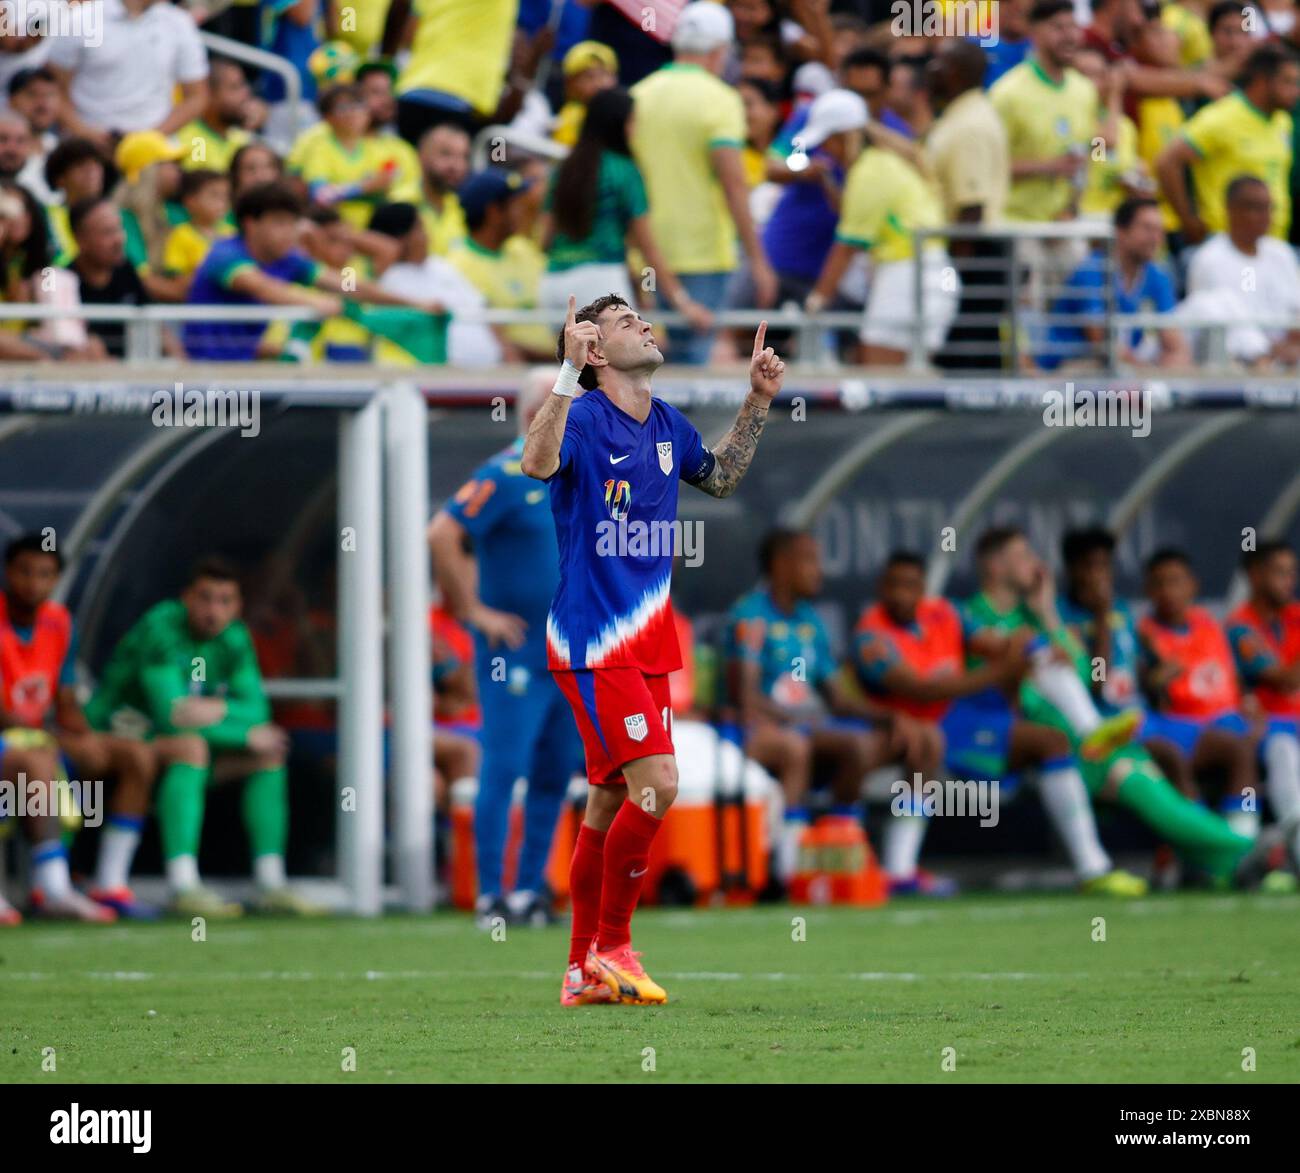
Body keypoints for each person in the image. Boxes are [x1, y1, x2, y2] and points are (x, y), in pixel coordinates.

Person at [520, 292, 784, 1006]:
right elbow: (536, 465)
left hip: (646, 645)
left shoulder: (665, 423)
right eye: (622, 319)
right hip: (592, 638)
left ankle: (580, 972)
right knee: (658, 783)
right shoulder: (581, 415)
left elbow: (722, 478)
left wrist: (757, 398)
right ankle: (614, 945)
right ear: (596, 351)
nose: (643, 321)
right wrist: (566, 379)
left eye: (641, 314)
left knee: (608, 800)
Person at [428, 368, 586, 928]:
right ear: (531, 414)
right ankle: (489, 892)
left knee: (554, 770)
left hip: (566, 651)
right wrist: (471, 611)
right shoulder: (502, 473)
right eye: (561, 402)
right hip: (513, 652)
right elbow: (442, 533)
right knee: (505, 766)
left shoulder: (577, 474)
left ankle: (527, 890)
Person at [84, 556, 317, 917]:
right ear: (186, 598)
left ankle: (270, 882)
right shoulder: (161, 627)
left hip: (174, 747)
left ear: (238, 607)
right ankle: (183, 886)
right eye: (205, 598)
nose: (213, 610)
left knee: (269, 752)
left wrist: (215, 710)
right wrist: (235, 723)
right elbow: (170, 716)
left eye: (224, 601)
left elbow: (258, 711)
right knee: (191, 747)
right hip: (112, 736)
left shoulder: (235, 638)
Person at [724, 529, 921, 888]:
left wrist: (888, 716)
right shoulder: (750, 616)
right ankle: (795, 870)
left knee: (919, 741)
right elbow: (745, 696)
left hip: (811, 728)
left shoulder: (811, 622)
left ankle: (893, 870)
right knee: (837, 747)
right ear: (782, 566)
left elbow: (839, 699)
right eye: (810, 561)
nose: (819, 571)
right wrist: (800, 719)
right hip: (758, 731)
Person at [960, 526, 1149, 895]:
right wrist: (1032, 652)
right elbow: (997, 663)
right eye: (1024, 556)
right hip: (973, 729)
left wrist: (1046, 613)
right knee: (1042, 667)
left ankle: (1094, 870)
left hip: (1016, 729)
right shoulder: (967, 615)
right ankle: (1093, 730)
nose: (1036, 564)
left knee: (1056, 738)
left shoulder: (1029, 617)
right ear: (996, 566)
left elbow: (1084, 673)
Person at [854, 551, 1039, 895]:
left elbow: (995, 646)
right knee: (923, 741)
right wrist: (1001, 671)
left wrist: (1025, 646)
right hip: (889, 730)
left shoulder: (946, 613)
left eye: (910, 586)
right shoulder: (871, 635)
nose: (901, 595)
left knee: (1048, 729)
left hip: (941, 727)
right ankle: (870, 865)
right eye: (893, 585)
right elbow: (922, 691)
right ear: (881, 587)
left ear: (923, 589)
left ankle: (899, 870)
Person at [0, 535, 161, 922]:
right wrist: (54, 736)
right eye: (25, 571)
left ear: (57, 579)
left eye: (45, 574)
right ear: (8, 573)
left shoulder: (59, 622)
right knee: (37, 763)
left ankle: (109, 882)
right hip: (16, 741)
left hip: (39, 736)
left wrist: (85, 737)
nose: (34, 583)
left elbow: (66, 700)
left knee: (135, 756)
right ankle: (52, 888)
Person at [630, 2, 777, 364]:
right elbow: (734, 185)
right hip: (702, 254)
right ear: (719, 52)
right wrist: (758, 260)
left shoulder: (638, 94)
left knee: (641, 364)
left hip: (643, 251)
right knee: (690, 367)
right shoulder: (722, 100)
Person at [183, 180, 437, 361]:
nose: (290, 232)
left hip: (248, 368)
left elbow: (347, 286)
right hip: (203, 373)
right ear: (250, 224)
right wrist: (318, 302)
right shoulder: (225, 255)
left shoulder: (288, 260)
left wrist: (413, 303)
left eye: (293, 223)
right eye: (279, 223)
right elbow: (265, 288)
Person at [540, 86, 711, 333]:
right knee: (619, 367)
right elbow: (647, 246)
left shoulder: (563, 169)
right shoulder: (625, 171)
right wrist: (683, 303)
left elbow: (544, 240)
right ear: (618, 124)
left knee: (573, 367)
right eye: (632, 122)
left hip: (553, 285)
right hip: (601, 282)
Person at [1137, 549, 1275, 836]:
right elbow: (1139, 688)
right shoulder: (1145, 634)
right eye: (1159, 584)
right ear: (1148, 590)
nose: (1167, 591)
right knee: (1237, 751)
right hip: (1180, 728)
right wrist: (1155, 679)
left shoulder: (1209, 626)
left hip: (1228, 720)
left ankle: (1255, 834)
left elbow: (1233, 680)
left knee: (1274, 746)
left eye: (1175, 581)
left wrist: (1251, 707)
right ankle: (1226, 838)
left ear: (1193, 585)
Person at [804, 110, 957, 365]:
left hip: (909, 277)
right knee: (905, 381)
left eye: (827, 142)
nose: (825, 151)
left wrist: (815, 303)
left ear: (844, 137)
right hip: (923, 275)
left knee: (883, 381)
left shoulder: (870, 170)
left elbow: (847, 246)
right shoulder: (881, 163)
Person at [1156, 43, 1300, 243]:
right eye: (1288, 82)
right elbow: (1167, 162)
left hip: (1274, 244)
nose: (1296, 91)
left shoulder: (1282, 122)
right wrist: (1188, 221)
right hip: (1225, 243)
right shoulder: (1221, 117)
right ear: (1262, 80)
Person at [926, 40, 1010, 371]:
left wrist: (953, 276)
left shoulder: (969, 125)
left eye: (939, 62)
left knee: (967, 360)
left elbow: (971, 207)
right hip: (972, 253)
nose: (930, 70)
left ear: (956, 72)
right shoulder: (963, 114)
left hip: (971, 255)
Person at [1040, 197, 1190, 370]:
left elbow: (1174, 341)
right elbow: (1101, 341)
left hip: (1118, 371)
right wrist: (1148, 371)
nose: (1156, 238)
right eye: (1148, 229)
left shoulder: (1158, 276)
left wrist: (1173, 364)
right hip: (1066, 370)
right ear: (1120, 231)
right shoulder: (1092, 270)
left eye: (1160, 231)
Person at [1227, 540, 1300, 866]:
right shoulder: (1239, 626)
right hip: (1267, 727)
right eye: (1280, 573)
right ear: (1255, 576)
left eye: (1291, 573)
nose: (1290, 581)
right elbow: (1285, 679)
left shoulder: (1295, 616)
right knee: (1283, 749)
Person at [48, 0, 210, 144]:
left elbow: (197, 97)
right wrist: (87, 134)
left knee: (170, 175)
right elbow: (53, 89)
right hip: (86, 146)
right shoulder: (81, 18)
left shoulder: (179, 23)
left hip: (153, 148)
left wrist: (148, 139)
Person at [1181, 175, 1300, 365]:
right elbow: (1210, 323)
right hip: (1233, 363)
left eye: (1268, 207)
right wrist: (1263, 351)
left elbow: (1296, 313)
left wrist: (1286, 347)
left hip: (1287, 357)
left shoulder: (1282, 254)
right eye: (1256, 208)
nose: (1266, 216)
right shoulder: (1209, 258)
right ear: (1232, 210)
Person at [369, 200, 500, 366]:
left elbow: (483, 309)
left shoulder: (441, 266)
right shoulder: (386, 279)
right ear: (402, 237)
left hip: (491, 371)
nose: (427, 235)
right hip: (433, 376)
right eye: (419, 228)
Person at [447, 168, 553, 362]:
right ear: (494, 212)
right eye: (517, 205)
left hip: (560, 366)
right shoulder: (459, 266)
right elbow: (497, 342)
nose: (523, 212)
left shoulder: (523, 248)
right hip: (517, 375)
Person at [287, 82, 421, 230]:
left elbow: (391, 184)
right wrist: (365, 186)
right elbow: (321, 196)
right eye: (343, 108)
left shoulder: (376, 149)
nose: (353, 113)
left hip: (372, 228)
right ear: (327, 117)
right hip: (334, 230)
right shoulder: (320, 149)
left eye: (358, 105)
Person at [162, 169, 236, 292]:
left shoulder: (232, 233)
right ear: (190, 201)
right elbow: (177, 276)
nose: (222, 203)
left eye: (225, 196)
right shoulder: (181, 234)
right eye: (214, 195)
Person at [177, 57, 254, 173]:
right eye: (235, 87)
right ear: (209, 95)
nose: (245, 93)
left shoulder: (242, 139)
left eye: (244, 85)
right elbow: (200, 182)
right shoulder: (196, 140)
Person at [413, 122, 470, 256]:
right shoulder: (398, 202)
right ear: (422, 155)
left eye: (464, 157)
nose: (457, 165)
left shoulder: (466, 211)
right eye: (446, 154)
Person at [553, 40, 619, 147]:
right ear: (570, 83)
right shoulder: (572, 116)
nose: (600, 83)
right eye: (590, 77)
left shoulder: (621, 120)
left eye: (606, 75)